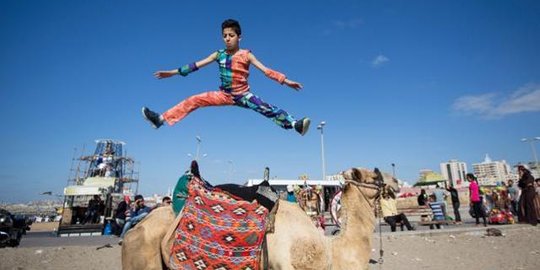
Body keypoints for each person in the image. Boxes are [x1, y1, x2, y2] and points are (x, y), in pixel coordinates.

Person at [141, 19, 310, 136]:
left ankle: (295, 124)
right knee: (194, 99)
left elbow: (265, 70)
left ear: (239, 37)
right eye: (225, 36)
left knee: (266, 108)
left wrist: (285, 80)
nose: (227, 39)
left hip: (243, 95)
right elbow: (196, 65)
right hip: (224, 95)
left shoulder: (246, 55)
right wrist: (173, 72)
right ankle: (160, 119)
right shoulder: (218, 54)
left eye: (231, 35)